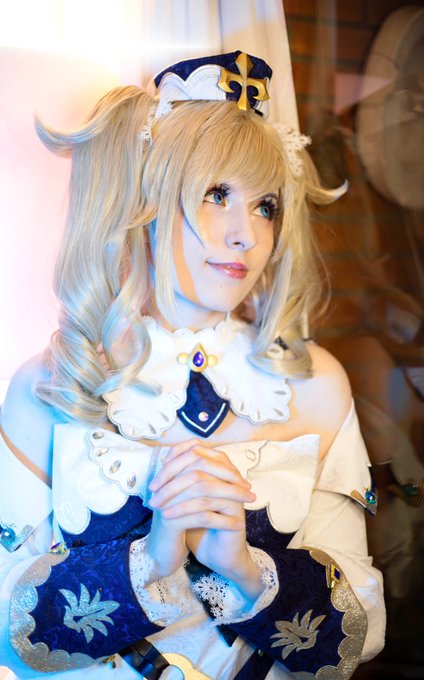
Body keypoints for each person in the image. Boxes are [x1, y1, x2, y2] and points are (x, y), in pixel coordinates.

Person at [0, 51, 385, 679]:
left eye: (265, 205)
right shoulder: (53, 384)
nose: (247, 235)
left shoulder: (314, 384)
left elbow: (362, 633)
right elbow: (6, 634)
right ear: (146, 197)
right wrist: (152, 559)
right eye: (216, 194)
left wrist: (244, 570)